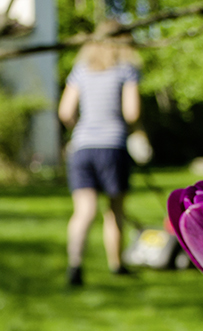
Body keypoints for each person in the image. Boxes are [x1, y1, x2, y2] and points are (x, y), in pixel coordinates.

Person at [57, 22, 142, 287]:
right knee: (114, 210)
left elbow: (65, 112)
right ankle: (117, 265)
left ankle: (75, 265)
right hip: (112, 146)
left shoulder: (81, 70)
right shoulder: (126, 69)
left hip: (82, 147)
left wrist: (83, 126)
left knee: (84, 211)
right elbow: (132, 113)